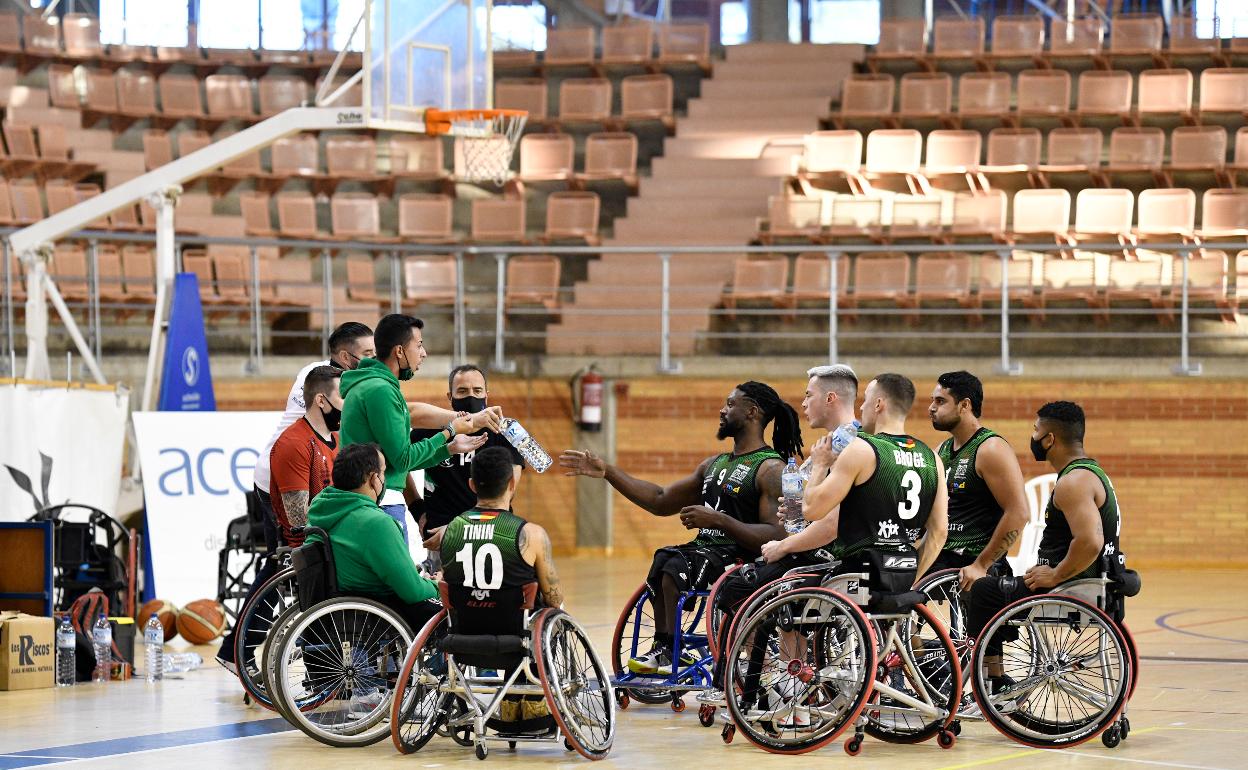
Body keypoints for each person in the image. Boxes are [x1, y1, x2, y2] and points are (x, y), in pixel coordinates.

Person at [560, 381, 801, 675]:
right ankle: (669, 648)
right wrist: (609, 472)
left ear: (752, 412)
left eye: (730, 404)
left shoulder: (771, 469)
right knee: (664, 558)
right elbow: (660, 500)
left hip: (742, 559)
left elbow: (778, 534)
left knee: (675, 565)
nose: (721, 410)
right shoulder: (713, 464)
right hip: (707, 553)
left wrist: (719, 520)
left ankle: (667, 650)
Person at [697, 365, 858, 708]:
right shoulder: (832, 445)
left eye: (809, 395)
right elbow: (806, 510)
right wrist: (795, 514)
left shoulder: (847, 447)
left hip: (832, 556)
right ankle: (779, 672)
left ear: (830, 398)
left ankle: (767, 675)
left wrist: (783, 543)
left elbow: (831, 524)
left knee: (738, 586)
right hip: (822, 550)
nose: (802, 403)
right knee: (753, 580)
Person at [966, 401, 1124, 691]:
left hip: (1072, 587)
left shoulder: (1073, 482)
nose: (1034, 437)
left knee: (983, 590)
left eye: (1036, 430)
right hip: (1097, 582)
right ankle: (993, 677)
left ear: (1049, 439)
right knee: (1001, 585)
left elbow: (1090, 541)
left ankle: (990, 681)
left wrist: (1055, 575)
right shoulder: (1091, 473)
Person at [217, 364, 344, 674]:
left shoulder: (335, 438)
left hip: (327, 536)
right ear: (321, 401)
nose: (350, 403)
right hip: (310, 544)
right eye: (344, 396)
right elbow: (299, 521)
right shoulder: (294, 444)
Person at [761, 373, 948, 576]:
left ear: (878, 404)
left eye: (865, 400)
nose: (860, 408)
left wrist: (821, 466)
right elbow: (939, 532)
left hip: (857, 574)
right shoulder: (932, 458)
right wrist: (910, 580)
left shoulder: (861, 449)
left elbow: (811, 510)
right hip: (902, 572)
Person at [339, 314, 501, 545]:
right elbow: (404, 460)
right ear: (399, 351)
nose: (423, 353)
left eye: (478, 390)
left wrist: (448, 448)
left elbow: (398, 459)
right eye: (419, 345)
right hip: (380, 503)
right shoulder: (380, 390)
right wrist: (449, 431)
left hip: (376, 500)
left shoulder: (375, 386)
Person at [438, 446, 561, 726]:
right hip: (515, 638)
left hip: (463, 636)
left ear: (471, 485)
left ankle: (508, 703)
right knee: (544, 611)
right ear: (512, 483)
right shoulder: (531, 534)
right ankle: (531, 702)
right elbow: (555, 598)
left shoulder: (450, 531)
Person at [252, 321, 373, 552]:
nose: (373, 361)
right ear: (346, 357)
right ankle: (261, 590)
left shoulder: (322, 373)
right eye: (367, 354)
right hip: (278, 473)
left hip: (307, 465)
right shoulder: (321, 381)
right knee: (289, 558)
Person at [306, 443, 441, 634]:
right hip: (376, 611)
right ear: (372, 478)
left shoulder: (319, 512)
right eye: (384, 473)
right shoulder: (376, 523)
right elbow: (413, 591)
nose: (384, 480)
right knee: (453, 608)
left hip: (336, 610)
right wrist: (436, 585)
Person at [410, 364, 525, 574]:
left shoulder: (508, 431)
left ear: (487, 396)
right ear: (450, 396)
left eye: (477, 391)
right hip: (440, 536)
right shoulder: (430, 431)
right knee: (443, 600)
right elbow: (400, 465)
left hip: (493, 534)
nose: (471, 396)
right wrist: (417, 509)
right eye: (462, 391)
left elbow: (508, 493)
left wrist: (458, 530)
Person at [927, 371, 1030, 590]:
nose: (931, 408)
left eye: (940, 401)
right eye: (932, 401)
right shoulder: (941, 451)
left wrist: (981, 564)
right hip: (942, 557)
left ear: (964, 405)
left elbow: (1019, 513)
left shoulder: (990, 449)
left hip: (974, 560)